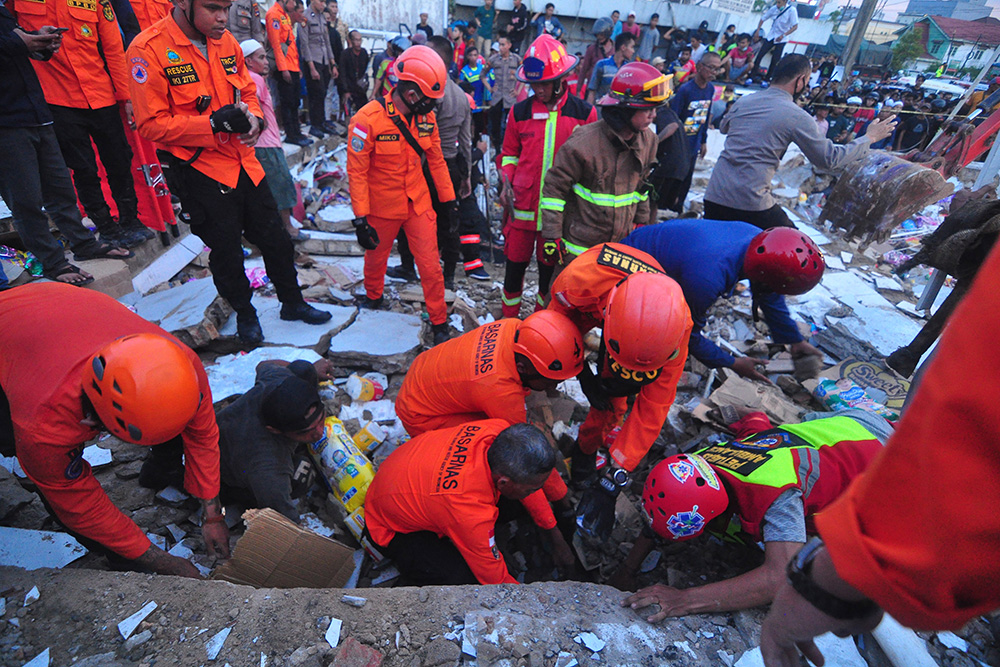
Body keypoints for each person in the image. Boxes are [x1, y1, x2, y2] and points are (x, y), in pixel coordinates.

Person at [759, 241, 1000, 667]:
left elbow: (962, 454)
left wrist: (829, 587)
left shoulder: (774, 490)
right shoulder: (760, 463)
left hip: (883, 460)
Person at [127, 0, 332, 346]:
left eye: (226, 7)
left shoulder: (227, 42)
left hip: (244, 163)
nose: (222, 17)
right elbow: (150, 124)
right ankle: (246, 316)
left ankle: (292, 303)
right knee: (226, 252)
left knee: (276, 239)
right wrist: (210, 125)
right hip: (201, 169)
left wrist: (256, 118)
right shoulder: (147, 49)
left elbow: (248, 91)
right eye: (212, 8)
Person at [0, 284, 229, 577]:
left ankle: (160, 469)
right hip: (13, 326)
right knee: (17, 447)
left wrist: (213, 513)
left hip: (57, 305)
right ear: (93, 426)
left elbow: (202, 433)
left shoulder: (179, 364)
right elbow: (75, 500)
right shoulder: (42, 425)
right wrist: (157, 559)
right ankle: (121, 558)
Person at [618, 408, 893, 618]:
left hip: (888, 454)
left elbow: (781, 577)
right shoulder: (709, 457)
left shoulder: (776, 494)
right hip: (845, 423)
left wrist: (684, 599)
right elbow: (756, 419)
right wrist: (628, 568)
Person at [394, 310, 585, 571]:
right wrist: (553, 530)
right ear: (523, 368)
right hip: (421, 413)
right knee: (494, 457)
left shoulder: (516, 328)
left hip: (426, 374)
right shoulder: (499, 389)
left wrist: (561, 498)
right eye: (552, 380)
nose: (555, 388)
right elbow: (523, 467)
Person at [546, 250, 691, 541]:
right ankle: (583, 450)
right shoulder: (574, 286)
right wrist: (582, 373)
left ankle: (585, 452)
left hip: (634, 323)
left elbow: (654, 407)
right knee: (551, 360)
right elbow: (555, 332)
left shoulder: (675, 328)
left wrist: (615, 476)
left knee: (612, 401)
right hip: (597, 301)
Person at [0, 12, 133, 286]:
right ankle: (54, 263)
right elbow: (12, 45)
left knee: (61, 189)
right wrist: (24, 42)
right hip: (7, 124)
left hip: (37, 112)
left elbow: (20, 50)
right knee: (26, 200)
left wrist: (41, 42)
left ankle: (83, 243)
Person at [10, 0, 152, 249]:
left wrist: (126, 96)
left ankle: (131, 220)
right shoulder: (16, 2)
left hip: (101, 93)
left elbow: (113, 48)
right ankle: (106, 226)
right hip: (56, 98)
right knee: (83, 167)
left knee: (119, 159)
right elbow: (11, 36)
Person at [704, 55, 896, 230]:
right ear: (800, 81)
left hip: (714, 195)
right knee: (794, 244)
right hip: (749, 202)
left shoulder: (743, 102)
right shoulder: (796, 115)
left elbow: (724, 128)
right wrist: (868, 138)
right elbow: (828, 159)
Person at [346, 45, 458, 346]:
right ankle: (373, 295)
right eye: (430, 100)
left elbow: (436, 161)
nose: (433, 106)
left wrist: (449, 204)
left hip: (418, 201)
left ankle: (438, 320)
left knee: (430, 265)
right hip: (381, 205)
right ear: (411, 94)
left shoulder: (426, 120)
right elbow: (356, 172)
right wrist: (360, 219)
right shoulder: (366, 120)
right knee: (376, 256)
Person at [623, 222, 825, 382]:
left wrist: (794, 340)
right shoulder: (707, 279)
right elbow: (685, 336)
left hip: (654, 248)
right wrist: (732, 363)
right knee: (657, 343)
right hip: (626, 267)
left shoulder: (760, 242)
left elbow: (768, 292)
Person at [365, 420, 556, 585]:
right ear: (503, 482)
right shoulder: (468, 509)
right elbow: (495, 581)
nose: (536, 492)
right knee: (462, 579)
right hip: (388, 526)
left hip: (403, 476)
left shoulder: (498, 430)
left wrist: (550, 526)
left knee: (518, 503)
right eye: (531, 489)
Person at [499, 34, 596, 317]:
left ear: (561, 79)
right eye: (532, 85)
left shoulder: (584, 114)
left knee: (548, 279)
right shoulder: (519, 112)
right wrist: (507, 178)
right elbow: (508, 153)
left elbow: (590, 164)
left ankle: (541, 327)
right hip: (521, 212)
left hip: (558, 217)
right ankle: (506, 327)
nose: (537, 90)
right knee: (513, 275)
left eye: (542, 84)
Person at [542, 62, 662, 270]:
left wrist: (641, 227)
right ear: (625, 109)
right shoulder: (583, 143)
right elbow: (554, 190)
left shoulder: (649, 141)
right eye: (647, 110)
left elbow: (642, 187)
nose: (653, 116)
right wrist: (552, 236)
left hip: (619, 251)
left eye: (655, 109)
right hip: (579, 251)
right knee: (566, 300)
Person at [392, 36, 485, 290]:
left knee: (409, 216)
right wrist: (466, 177)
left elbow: (422, 135)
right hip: (452, 166)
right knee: (448, 221)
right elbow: (466, 141)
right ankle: (449, 277)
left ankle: (408, 267)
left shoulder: (433, 93)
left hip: (427, 165)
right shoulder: (463, 97)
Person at [217, 358, 334, 522]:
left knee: (304, 369)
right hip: (223, 476)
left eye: (320, 420)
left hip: (233, 424)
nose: (320, 433)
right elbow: (282, 519)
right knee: (303, 472)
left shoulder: (277, 380)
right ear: (275, 430)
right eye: (306, 431)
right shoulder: (268, 466)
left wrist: (313, 372)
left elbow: (262, 364)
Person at [242, 39, 307, 242]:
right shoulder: (255, 80)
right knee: (281, 186)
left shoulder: (250, 78)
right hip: (266, 145)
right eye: (261, 57)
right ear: (248, 61)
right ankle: (288, 229)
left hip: (264, 144)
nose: (266, 61)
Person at [668, 51, 720, 213]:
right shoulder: (686, 90)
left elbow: (705, 115)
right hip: (679, 145)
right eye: (711, 67)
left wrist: (703, 141)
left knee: (686, 181)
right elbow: (674, 118)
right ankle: (667, 208)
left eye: (717, 69)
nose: (713, 72)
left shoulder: (710, 90)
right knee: (674, 180)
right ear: (699, 66)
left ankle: (677, 211)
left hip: (694, 144)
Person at [266, 0, 310, 146]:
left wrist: (297, 69)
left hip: (293, 66)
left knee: (295, 102)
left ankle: (297, 132)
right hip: (284, 67)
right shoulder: (273, 15)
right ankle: (291, 134)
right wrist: (283, 69)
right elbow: (276, 45)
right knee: (288, 102)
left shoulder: (284, 15)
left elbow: (291, 44)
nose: (294, 4)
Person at [299, 0, 337, 139]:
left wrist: (332, 63)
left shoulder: (322, 16)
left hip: (324, 60)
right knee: (316, 93)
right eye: (321, 1)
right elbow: (304, 43)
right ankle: (314, 124)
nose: (323, 4)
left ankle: (321, 123)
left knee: (323, 93)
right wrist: (311, 67)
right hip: (313, 60)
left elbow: (326, 41)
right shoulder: (305, 17)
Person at [647, 100, 688, 217]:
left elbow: (672, 126)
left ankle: (647, 226)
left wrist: (654, 142)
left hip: (669, 165)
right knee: (659, 200)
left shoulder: (663, 113)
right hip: (681, 167)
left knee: (651, 198)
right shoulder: (673, 115)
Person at [487, 35, 521, 148]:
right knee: (495, 124)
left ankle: (508, 147)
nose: (500, 47)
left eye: (503, 45)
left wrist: (518, 90)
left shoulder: (516, 59)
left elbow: (525, 75)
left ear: (509, 45)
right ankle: (496, 147)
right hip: (497, 97)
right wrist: (490, 88)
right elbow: (482, 74)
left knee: (510, 125)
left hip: (510, 97)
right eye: (499, 45)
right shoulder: (493, 59)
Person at [752, 0, 797, 82]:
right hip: (771, 35)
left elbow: (795, 26)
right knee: (760, 55)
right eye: (777, 2)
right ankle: (752, 76)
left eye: (779, 2)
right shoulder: (774, 9)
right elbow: (763, 19)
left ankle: (768, 78)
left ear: (784, 2)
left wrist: (783, 35)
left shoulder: (791, 10)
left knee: (775, 59)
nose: (778, 4)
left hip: (782, 38)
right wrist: (757, 31)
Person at [586, 32, 634, 106]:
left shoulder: (629, 69)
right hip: (601, 111)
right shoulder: (602, 65)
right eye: (632, 47)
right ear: (623, 47)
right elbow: (592, 91)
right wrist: (589, 113)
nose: (633, 51)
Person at [579, 17, 614, 99]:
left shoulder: (616, 50)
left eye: (601, 35)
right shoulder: (591, 49)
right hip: (592, 92)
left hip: (609, 93)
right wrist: (578, 91)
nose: (599, 37)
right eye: (598, 35)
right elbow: (584, 70)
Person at [460, 45, 490, 137]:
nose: (473, 57)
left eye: (475, 55)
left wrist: (487, 99)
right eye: (471, 55)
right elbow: (461, 88)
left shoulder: (483, 69)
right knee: (468, 126)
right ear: (467, 57)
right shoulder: (464, 71)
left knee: (480, 126)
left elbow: (487, 85)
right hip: (469, 104)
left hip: (480, 103)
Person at [339, 30, 369, 116]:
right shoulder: (345, 54)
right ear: (351, 41)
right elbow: (343, 73)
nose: (358, 43)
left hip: (360, 88)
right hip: (349, 86)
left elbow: (365, 70)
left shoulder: (364, 53)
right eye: (356, 40)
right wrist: (346, 90)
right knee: (348, 112)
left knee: (363, 112)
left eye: (360, 40)